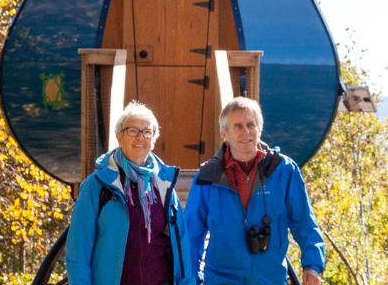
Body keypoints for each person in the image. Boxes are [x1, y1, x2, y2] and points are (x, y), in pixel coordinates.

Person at [181, 97, 325, 285]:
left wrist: (313, 265)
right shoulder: (208, 176)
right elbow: (192, 234)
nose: (246, 132)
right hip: (220, 280)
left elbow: (304, 221)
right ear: (224, 134)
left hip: (270, 279)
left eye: (251, 125)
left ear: (260, 129)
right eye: (238, 126)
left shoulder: (283, 170)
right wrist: (189, 280)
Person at [67, 100, 190, 285]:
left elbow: (182, 244)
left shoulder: (163, 186)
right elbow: (78, 251)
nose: (140, 137)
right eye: (133, 131)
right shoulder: (97, 186)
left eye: (147, 132)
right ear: (119, 136)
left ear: (154, 139)